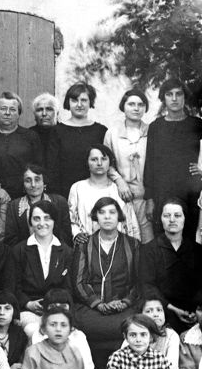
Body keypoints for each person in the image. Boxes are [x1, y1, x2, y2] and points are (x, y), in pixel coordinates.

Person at [73, 197, 141, 369]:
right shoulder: (85, 245)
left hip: (124, 306)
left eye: (112, 212)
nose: (107, 217)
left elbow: (139, 282)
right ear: (95, 216)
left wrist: (125, 302)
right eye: (102, 212)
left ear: (119, 216)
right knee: (84, 326)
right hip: (91, 308)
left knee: (130, 325)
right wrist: (98, 304)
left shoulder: (133, 245)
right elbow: (79, 282)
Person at [143, 78, 202, 240]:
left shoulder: (197, 125)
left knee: (189, 241)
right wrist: (149, 199)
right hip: (163, 192)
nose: (174, 99)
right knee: (164, 241)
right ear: (163, 99)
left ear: (185, 97)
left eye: (179, 94)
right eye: (169, 95)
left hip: (191, 193)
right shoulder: (156, 127)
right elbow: (150, 164)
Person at [47, 82, 119, 198]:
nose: (79, 104)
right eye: (74, 100)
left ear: (90, 102)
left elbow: (108, 163)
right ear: (68, 103)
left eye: (84, 100)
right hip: (64, 192)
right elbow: (52, 168)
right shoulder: (57, 131)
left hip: (96, 192)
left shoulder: (100, 131)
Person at [141, 198, 202, 332]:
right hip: (163, 309)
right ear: (160, 219)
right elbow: (147, 285)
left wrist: (195, 312)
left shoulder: (197, 250)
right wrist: (174, 310)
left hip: (193, 312)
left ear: (185, 218)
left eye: (177, 215)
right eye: (167, 216)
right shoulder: (149, 250)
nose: (172, 220)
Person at [10, 200, 72, 333]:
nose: (42, 223)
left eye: (47, 218)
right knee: (35, 331)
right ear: (30, 222)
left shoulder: (66, 251)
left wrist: (56, 305)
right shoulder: (19, 250)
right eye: (36, 219)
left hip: (58, 310)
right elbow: (13, 286)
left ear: (54, 221)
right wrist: (28, 303)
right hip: (28, 311)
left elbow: (68, 287)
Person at [104, 88, 153, 243]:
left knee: (147, 243)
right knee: (125, 242)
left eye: (141, 104)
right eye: (131, 104)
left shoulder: (151, 132)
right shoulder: (112, 133)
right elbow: (106, 162)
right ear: (123, 106)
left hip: (145, 198)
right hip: (122, 196)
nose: (136, 108)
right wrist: (119, 181)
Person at [68, 144, 140, 244]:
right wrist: (76, 234)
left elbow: (131, 222)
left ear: (110, 162)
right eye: (94, 159)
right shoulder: (78, 188)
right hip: (88, 247)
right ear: (87, 163)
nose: (99, 163)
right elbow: (71, 219)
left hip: (118, 247)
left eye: (104, 159)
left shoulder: (119, 189)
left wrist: (135, 246)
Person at [0, 91, 43, 198]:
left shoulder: (30, 137)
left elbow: (38, 167)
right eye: (3, 109)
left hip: (23, 195)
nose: (7, 113)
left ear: (19, 113)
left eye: (12, 109)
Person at [4, 164, 72, 247]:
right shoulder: (14, 206)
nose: (33, 185)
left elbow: (66, 236)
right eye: (28, 180)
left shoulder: (59, 202)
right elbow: (11, 239)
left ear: (44, 183)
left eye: (37, 180)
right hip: (24, 256)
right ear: (23, 184)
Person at [125, 299, 181, 369]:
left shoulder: (171, 335)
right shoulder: (133, 334)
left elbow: (172, 368)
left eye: (159, 310)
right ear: (140, 315)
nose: (155, 314)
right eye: (149, 311)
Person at [29, 93, 59, 158]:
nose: (44, 113)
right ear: (34, 115)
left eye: (49, 109)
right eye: (39, 110)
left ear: (57, 113)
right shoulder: (28, 136)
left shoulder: (65, 134)